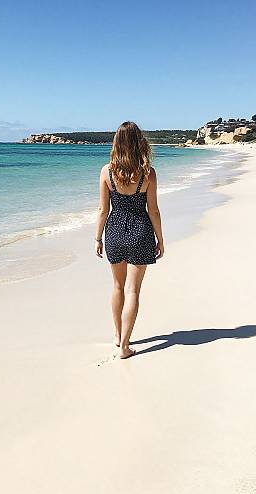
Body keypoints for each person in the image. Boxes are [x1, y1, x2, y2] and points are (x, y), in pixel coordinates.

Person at [95, 121, 164, 359]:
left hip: (114, 231)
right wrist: (160, 239)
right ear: (139, 142)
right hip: (141, 231)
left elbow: (103, 210)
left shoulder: (107, 171)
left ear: (117, 143)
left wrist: (97, 238)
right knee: (132, 290)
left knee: (117, 287)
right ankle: (125, 346)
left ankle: (117, 336)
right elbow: (153, 210)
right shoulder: (147, 173)